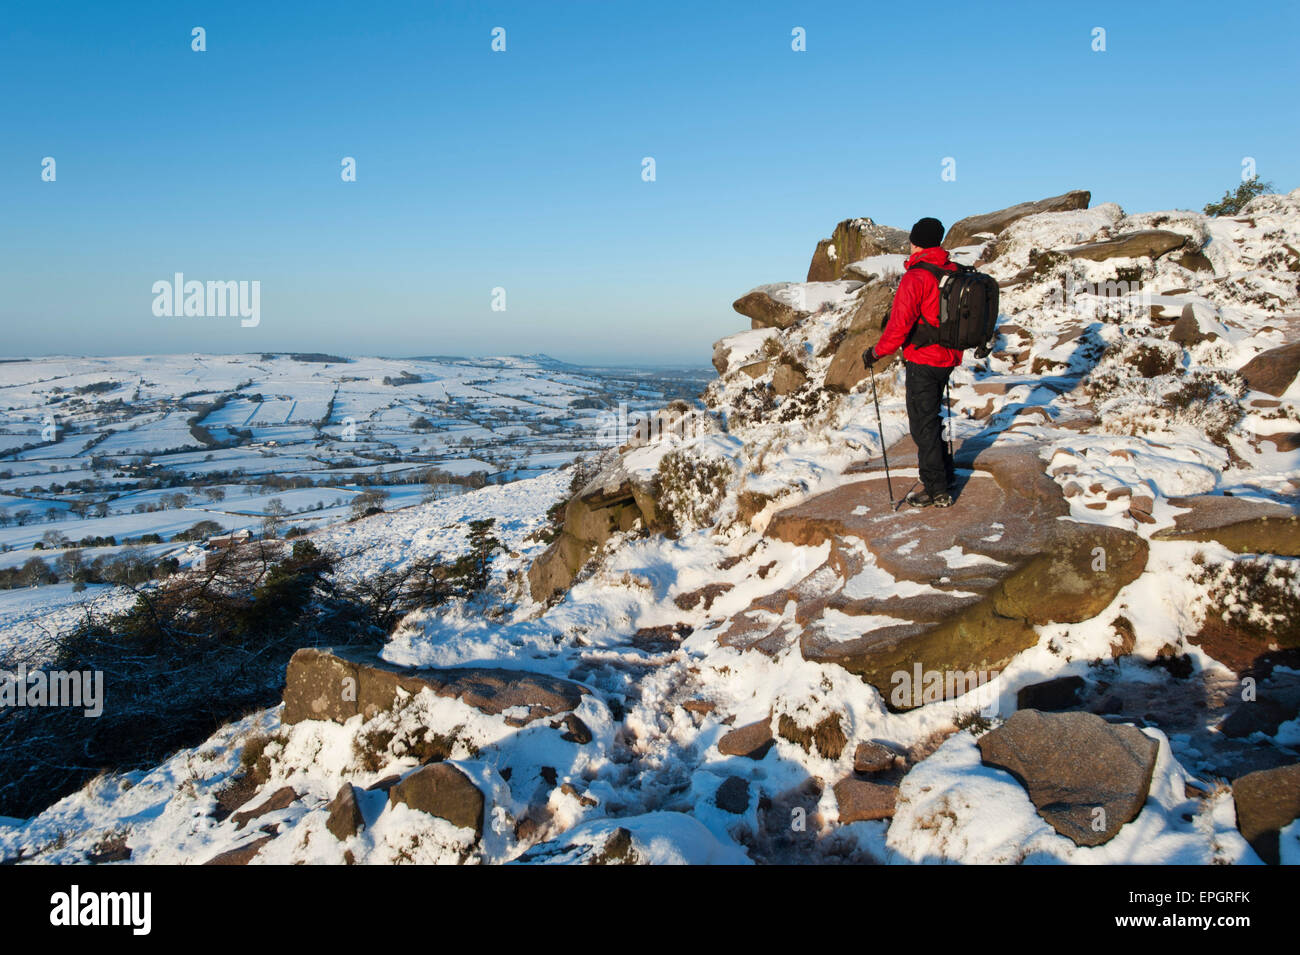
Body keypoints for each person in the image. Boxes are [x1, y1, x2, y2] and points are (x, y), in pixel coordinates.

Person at [862, 217, 960, 508]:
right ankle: (945, 473)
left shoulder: (916, 277)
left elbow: (899, 326)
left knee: (923, 425)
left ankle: (936, 488)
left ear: (915, 242)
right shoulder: (951, 271)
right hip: (949, 356)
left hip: (925, 359)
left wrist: (876, 353)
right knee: (931, 417)